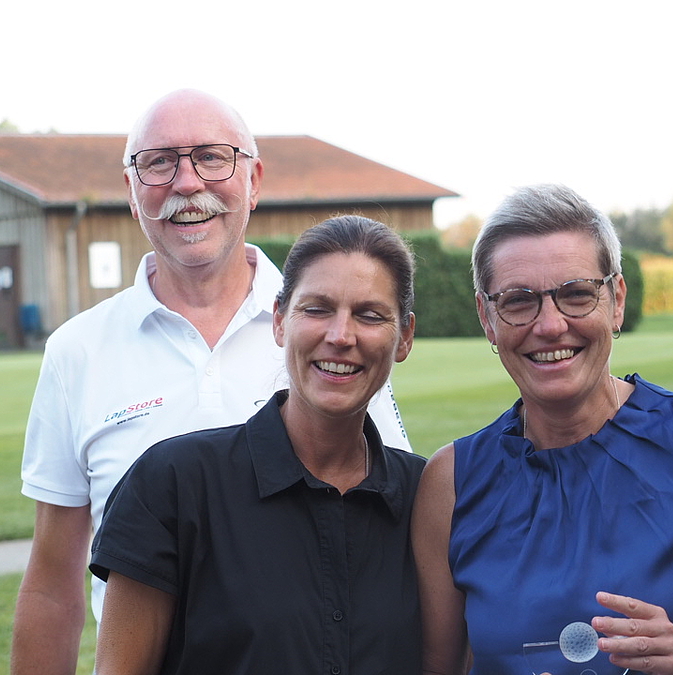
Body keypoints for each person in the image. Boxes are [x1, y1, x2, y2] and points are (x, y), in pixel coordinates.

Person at [10, 91, 410, 675]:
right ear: (131, 191)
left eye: (212, 157)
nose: (187, 182)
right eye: (158, 162)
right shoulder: (78, 351)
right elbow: (53, 584)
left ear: (254, 180)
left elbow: (389, 525)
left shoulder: (324, 334)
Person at [412, 184, 673, 675]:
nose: (550, 325)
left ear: (616, 300)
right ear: (487, 318)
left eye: (577, 294)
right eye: (518, 301)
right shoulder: (452, 482)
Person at [89, 215, 425, 675]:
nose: (340, 336)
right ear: (280, 321)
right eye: (317, 309)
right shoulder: (172, 483)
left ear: (404, 337)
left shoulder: (428, 496)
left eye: (369, 315)